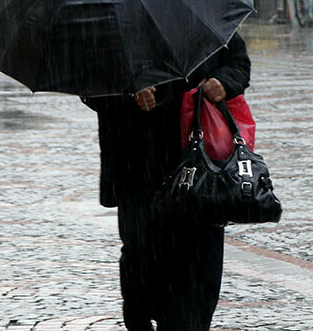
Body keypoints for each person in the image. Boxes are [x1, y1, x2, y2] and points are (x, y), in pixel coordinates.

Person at [81, 34, 250, 331]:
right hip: (136, 166)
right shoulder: (110, 27)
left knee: (201, 255)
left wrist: (224, 82)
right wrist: (128, 93)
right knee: (142, 255)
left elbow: (238, 64)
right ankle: (142, 318)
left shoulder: (200, 14)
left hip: (199, 163)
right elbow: (90, 84)